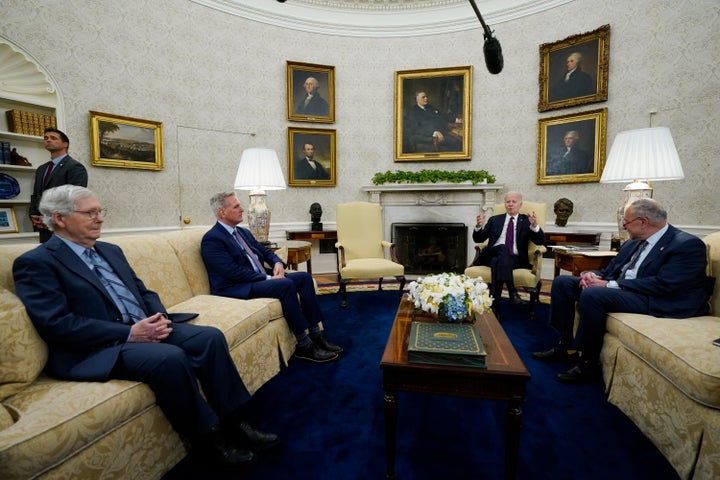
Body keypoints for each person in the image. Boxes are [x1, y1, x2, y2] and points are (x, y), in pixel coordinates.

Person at [12, 185, 278, 468]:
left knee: (209, 337)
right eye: (90, 213)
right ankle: (207, 442)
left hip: (143, 327)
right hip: (99, 346)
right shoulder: (36, 263)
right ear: (60, 218)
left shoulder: (110, 250)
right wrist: (130, 333)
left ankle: (235, 423)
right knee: (169, 358)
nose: (100, 218)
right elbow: (57, 323)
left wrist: (159, 316)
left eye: (100, 211)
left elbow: (143, 291)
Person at [533, 199, 710, 383]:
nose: (624, 227)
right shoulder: (632, 243)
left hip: (655, 298)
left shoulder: (686, 244)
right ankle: (565, 345)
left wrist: (608, 285)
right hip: (624, 290)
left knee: (593, 294)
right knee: (562, 283)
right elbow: (610, 271)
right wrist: (590, 275)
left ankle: (588, 362)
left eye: (627, 222)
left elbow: (664, 285)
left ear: (643, 222)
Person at [201, 192, 343, 363]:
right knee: (285, 285)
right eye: (236, 206)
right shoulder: (212, 239)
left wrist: (277, 263)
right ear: (222, 212)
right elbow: (232, 272)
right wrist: (268, 279)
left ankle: (317, 335)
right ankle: (304, 346)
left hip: (258, 278)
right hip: (237, 287)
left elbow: (266, 252)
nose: (242, 209)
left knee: (304, 278)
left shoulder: (243, 233)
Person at [471, 191, 546, 316]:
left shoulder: (527, 221)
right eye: (508, 202)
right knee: (502, 247)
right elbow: (479, 239)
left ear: (520, 204)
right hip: (491, 254)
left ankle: (495, 308)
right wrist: (479, 227)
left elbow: (541, 241)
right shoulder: (495, 219)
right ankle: (512, 292)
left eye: (514, 202)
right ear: (505, 204)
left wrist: (535, 226)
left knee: (498, 261)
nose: (510, 204)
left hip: (515, 259)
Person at [29, 128, 88, 243]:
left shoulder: (75, 167)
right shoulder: (41, 169)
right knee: (47, 259)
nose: (48, 140)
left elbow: (73, 198)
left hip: (64, 227)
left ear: (65, 144)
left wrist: (50, 218)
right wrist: (34, 214)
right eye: (46, 138)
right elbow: (36, 194)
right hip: (43, 227)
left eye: (53, 138)